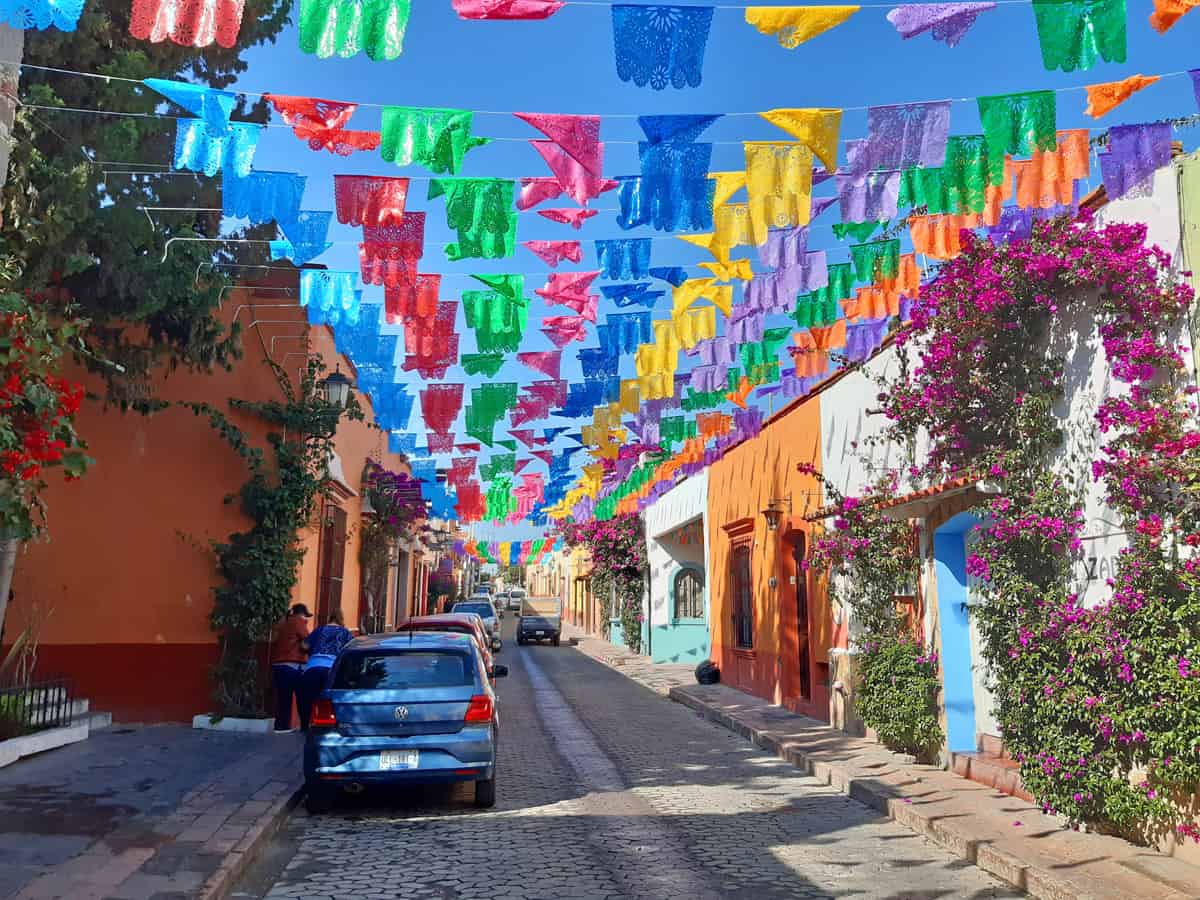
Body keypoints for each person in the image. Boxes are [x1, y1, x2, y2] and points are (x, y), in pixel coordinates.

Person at [298, 607, 353, 730]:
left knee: (306, 699)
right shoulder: (345, 633)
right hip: (332, 670)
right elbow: (350, 650)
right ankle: (327, 727)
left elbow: (304, 645)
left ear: (330, 617)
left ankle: (305, 727)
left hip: (313, 668)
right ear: (341, 619)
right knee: (328, 701)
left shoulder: (319, 630)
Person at [270, 603, 311, 733]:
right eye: (306, 617)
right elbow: (308, 641)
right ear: (302, 614)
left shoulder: (283, 623)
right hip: (292, 665)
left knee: (283, 698)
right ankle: (303, 726)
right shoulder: (298, 622)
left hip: (278, 664)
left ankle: (281, 726)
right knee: (302, 696)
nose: (307, 620)